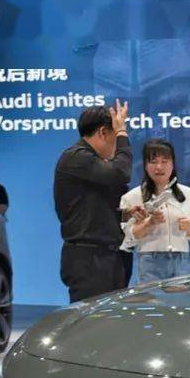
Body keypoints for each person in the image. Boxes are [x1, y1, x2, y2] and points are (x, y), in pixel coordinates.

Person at [53, 100, 133, 302]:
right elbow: (121, 173)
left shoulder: (95, 163)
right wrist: (122, 131)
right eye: (115, 137)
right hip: (89, 260)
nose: (116, 146)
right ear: (103, 133)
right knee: (91, 320)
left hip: (111, 256)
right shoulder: (75, 157)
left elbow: (98, 207)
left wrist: (127, 213)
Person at [119, 138, 190, 283]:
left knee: (181, 298)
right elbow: (128, 239)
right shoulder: (132, 197)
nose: (159, 167)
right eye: (153, 162)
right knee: (153, 298)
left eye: (165, 161)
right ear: (145, 165)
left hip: (181, 262)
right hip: (150, 262)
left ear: (173, 164)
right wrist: (148, 223)